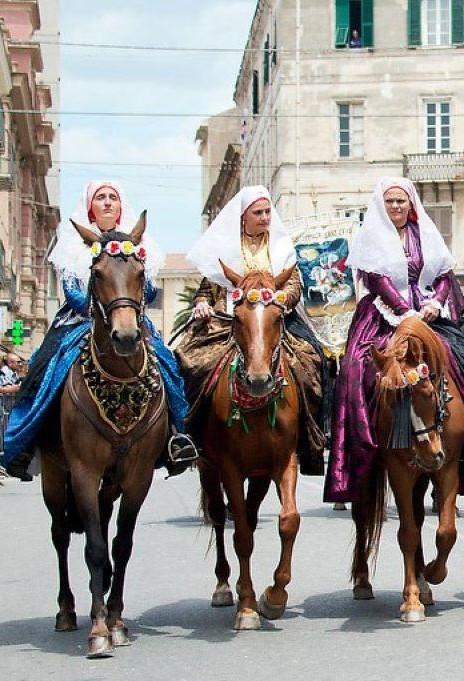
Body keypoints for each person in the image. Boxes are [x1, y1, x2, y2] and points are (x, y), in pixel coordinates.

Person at [1, 181, 196, 482]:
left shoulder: (136, 245)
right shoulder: (74, 244)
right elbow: (70, 288)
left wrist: (128, 301)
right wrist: (96, 306)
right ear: (90, 206)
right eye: (100, 198)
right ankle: (27, 440)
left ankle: (177, 436)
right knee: (46, 362)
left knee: (167, 361)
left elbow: (148, 286)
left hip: (128, 316)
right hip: (82, 317)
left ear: (121, 206)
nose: (107, 203)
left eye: (113, 198)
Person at [323, 177, 464, 503]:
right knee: (355, 368)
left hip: (428, 314)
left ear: (411, 204)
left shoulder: (423, 234)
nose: (397, 206)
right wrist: (405, 311)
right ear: (381, 206)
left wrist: (434, 304)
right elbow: (376, 279)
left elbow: (443, 276)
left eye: (402, 201)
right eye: (390, 201)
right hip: (382, 316)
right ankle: (363, 449)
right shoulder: (372, 236)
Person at [175, 186, 328, 476]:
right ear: (243, 217)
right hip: (226, 321)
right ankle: (188, 436)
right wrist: (203, 304)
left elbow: (294, 283)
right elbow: (206, 289)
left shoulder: (282, 246)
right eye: (258, 213)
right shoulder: (225, 248)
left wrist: (282, 299)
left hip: (273, 318)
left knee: (312, 361)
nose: (265, 217)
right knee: (190, 362)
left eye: (268, 211)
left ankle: (312, 437)